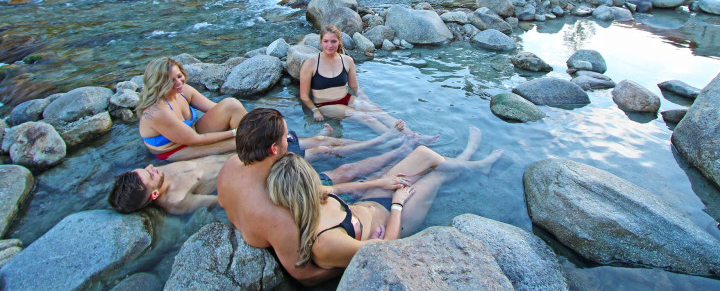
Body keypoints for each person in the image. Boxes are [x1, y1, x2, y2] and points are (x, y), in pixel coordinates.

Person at [219, 108, 418, 285]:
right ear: (274, 149)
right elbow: (305, 276)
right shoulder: (278, 215)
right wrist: (352, 255)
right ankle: (400, 151)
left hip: (296, 186)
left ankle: (394, 149)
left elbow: (222, 201)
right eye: (286, 137)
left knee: (346, 171)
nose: (289, 140)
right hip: (315, 217)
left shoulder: (232, 165)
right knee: (351, 172)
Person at [266, 127, 502, 271]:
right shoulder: (325, 242)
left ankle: (471, 162)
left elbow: (337, 188)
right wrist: (398, 202)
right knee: (436, 177)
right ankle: (474, 162)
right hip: (396, 223)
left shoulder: (311, 196)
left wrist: (378, 183)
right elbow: (386, 249)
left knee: (423, 155)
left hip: (376, 200)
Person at [109, 122, 413, 215]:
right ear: (153, 196)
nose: (150, 168)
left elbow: (201, 149)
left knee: (321, 147)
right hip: (266, 172)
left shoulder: (162, 169)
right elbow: (225, 202)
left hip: (254, 154)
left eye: (144, 169)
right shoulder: (177, 201)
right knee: (341, 167)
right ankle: (397, 147)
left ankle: (386, 142)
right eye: (148, 175)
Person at [299, 25, 437, 141]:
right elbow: (304, 96)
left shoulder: (347, 60)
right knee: (366, 118)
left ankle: (414, 136)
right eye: (326, 41)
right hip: (325, 104)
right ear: (321, 42)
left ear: (339, 42)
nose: (329, 45)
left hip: (346, 98)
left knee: (379, 112)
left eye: (333, 41)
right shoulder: (310, 63)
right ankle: (397, 140)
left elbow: (354, 86)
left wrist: (366, 100)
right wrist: (315, 110)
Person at [137, 57, 246, 161]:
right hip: (174, 149)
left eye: (179, 76)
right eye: (171, 80)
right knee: (241, 141)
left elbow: (218, 109)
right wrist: (236, 132)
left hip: (192, 133)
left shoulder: (184, 91)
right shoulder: (158, 111)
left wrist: (253, 121)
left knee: (231, 105)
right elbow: (195, 139)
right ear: (159, 83)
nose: (179, 83)